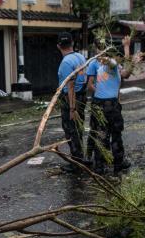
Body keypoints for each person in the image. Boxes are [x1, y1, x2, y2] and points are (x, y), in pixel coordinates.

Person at [86, 36, 139, 175]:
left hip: (112, 104)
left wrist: (131, 60)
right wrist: (98, 91)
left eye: (103, 48)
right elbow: (90, 84)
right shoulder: (95, 64)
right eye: (99, 48)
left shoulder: (113, 63)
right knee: (101, 136)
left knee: (115, 134)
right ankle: (99, 166)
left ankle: (118, 163)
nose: (101, 51)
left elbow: (125, 74)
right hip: (100, 104)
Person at [57, 31, 88, 172]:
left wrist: (71, 108)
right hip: (82, 96)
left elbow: (70, 86)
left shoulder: (65, 62)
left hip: (71, 99)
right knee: (78, 128)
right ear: (72, 43)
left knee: (70, 130)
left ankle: (77, 163)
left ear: (58, 46)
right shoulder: (81, 57)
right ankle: (80, 157)